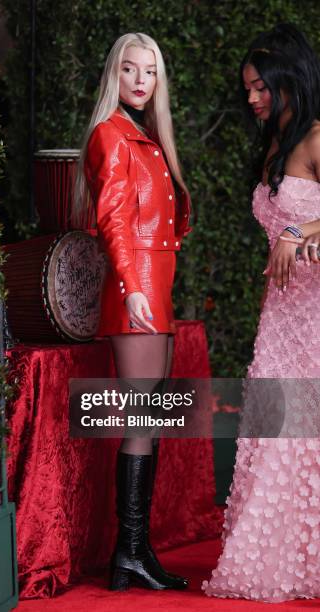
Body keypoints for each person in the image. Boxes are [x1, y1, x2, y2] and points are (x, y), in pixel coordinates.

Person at [203, 23, 320, 603]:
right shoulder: (274, 144)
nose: (250, 99)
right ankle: (280, 557)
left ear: (288, 79)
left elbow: (299, 228)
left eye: (259, 88)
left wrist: (299, 230)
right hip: (280, 314)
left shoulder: (318, 137)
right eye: (247, 89)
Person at [75, 33, 191, 591]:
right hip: (138, 285)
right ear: (113, 75)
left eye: (150, 72)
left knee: (152, 418)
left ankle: (135, 550)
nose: (141, 81)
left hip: (154, 283)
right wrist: (130, 285)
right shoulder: (110, 134)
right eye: (129, 69)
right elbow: (113, 220)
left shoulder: (143, 135)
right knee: (142, 422)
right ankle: (130, 552)